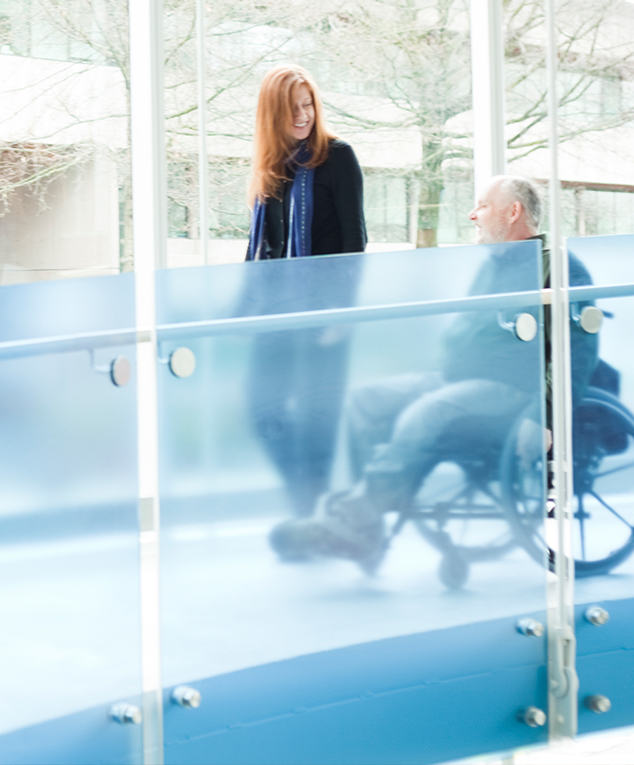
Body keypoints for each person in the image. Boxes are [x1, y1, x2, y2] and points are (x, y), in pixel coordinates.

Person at [269, 175, 599, 571]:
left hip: (513, 389)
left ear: (513, 213)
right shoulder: (494, 265)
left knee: (427, 411)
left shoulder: (558, 266)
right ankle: (369, 520)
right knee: (364, 400)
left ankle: (357, 518)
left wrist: (543, 414)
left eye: (483, 206)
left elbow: (578, 347)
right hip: (458, 378)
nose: (472, 214)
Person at [242, 64, 367, 517]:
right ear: (271, 113)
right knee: (261, 410)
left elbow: (355, 242)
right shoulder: (269, 169)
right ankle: (304, 495)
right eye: (292, 107)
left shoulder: (338, 157)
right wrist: (241, 312)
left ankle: (309, 513)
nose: (302, 115)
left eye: (308, 104)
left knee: (319, 421)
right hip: (276, 316)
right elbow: (260, 250)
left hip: (324, 315)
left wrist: (341, 313)